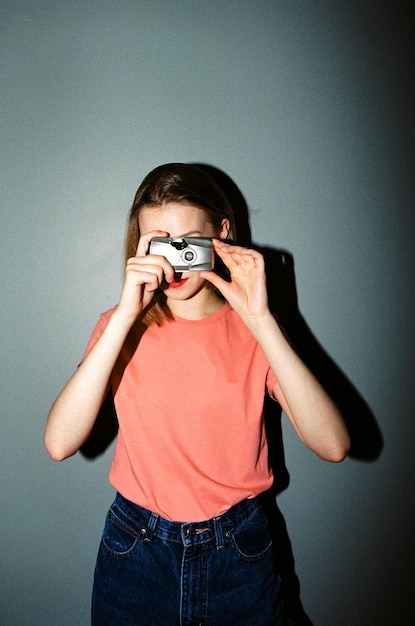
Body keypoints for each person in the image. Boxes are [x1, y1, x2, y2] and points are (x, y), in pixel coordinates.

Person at [44, 163, 350, 625]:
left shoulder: (255, 331)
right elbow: (59, 443)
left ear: (221, 232)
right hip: (137, 550)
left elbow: (333, 444)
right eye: (159, 240)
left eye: (187, 238)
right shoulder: (118, 327)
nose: (174, 257)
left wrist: (262, 320)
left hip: (239, 553)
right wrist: (126, 315)